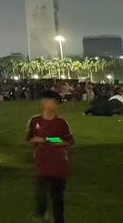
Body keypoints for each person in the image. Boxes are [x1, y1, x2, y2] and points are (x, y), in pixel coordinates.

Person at [26, 90, 74, 223]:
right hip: (42, 164)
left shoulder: (62, 123)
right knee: (41, 195)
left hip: (59, 165)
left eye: (53, 102)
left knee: (57, 197)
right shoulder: (34, 120)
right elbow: (30, 138)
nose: (50, 104)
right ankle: (42, 216)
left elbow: (69, 141)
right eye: (47, 101)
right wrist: (39, 140)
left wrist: (48, 139)